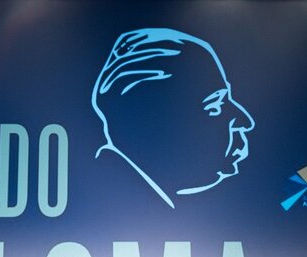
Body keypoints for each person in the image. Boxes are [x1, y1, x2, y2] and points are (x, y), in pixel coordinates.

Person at [91, 28, 255, 208]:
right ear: (152, 125)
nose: (245, 121)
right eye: (215, 106)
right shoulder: (111, 205)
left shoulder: (118, 199)